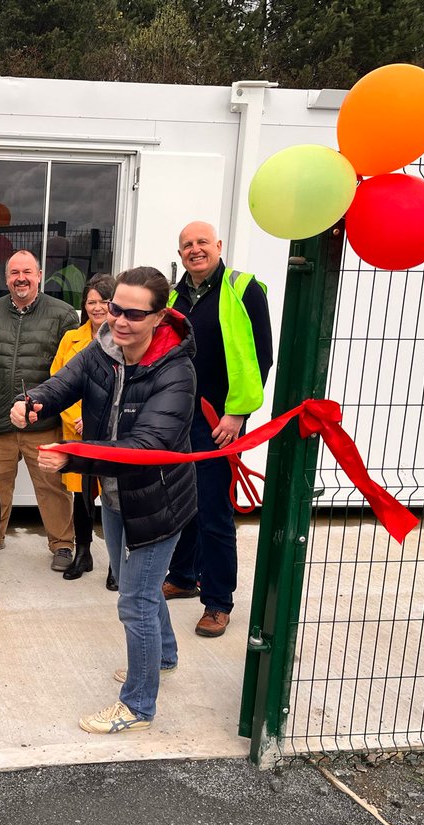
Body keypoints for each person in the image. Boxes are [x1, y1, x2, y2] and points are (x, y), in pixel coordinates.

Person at [10, 266, 196, 734]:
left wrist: (72, 458)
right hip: (112, 494)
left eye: (134, 313)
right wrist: (33, 401)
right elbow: (64, 384)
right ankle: (164, 657)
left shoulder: (176, 368)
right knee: (143, 589)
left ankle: (137, 706)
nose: (120, 320)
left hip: (157, 498)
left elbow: (148, 447)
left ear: (159, 316)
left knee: (133, 601)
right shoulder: (103, 348)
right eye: (115, 308)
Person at [163, 221, 273, 638]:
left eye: (202, 242)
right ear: (180, 253)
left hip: (221, 422)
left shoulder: (243, 289)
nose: (195, 249)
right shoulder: (174, 298)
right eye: (187, 244)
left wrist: (237, 415)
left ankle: (218, 600)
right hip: (180, 419)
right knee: (183, 504)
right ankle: (184, 575)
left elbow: (261, 356)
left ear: (218, 246)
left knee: (213, 510)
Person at [0, 249, 77, 570]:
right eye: (14, 273)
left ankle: (62, 544)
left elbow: (72, 370)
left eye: (27, 272)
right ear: (6, 279)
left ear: (39, 275)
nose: (21, 279)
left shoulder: (63, 314)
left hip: (42, 420)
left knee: (51, 486)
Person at [50, 273, 115, 582]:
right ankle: (83, 553)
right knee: (83, 496)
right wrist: (79, 417)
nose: (97, 307)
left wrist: (99, 418)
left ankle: (117, 564)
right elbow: (58, 382)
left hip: (115, 433)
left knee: (116, 496)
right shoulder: (71, 339)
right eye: (92, 301)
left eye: (104, 300)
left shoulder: (126, 338)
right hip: (78, 432)